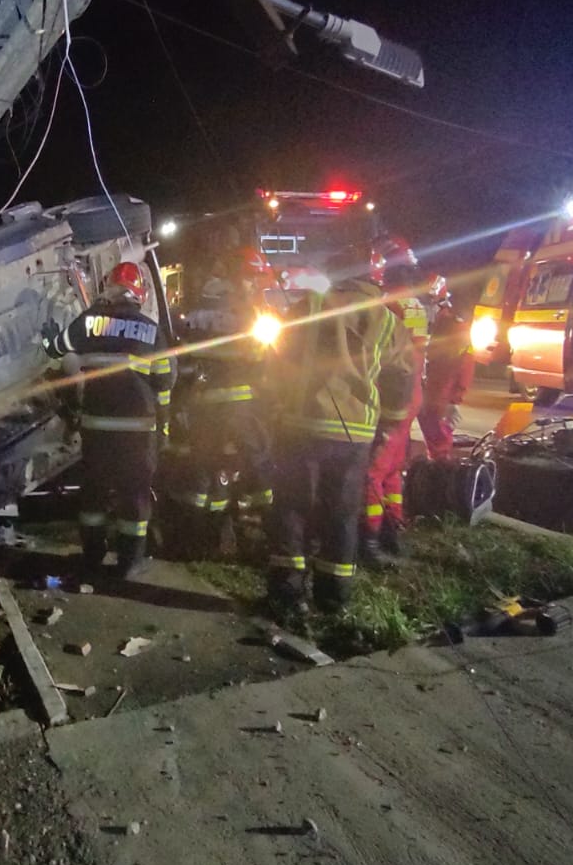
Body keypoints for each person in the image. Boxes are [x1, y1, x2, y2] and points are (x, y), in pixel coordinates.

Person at [263, 265, 415, 613]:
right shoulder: (387, 320)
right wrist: (389, 422)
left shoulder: (308, 306)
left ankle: (287, 595)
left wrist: (277, 403)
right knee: (342, 515)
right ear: (374, 283)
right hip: (355, 435)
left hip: (300, 425)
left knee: (292, 508)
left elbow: (276, 358)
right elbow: (402, 376)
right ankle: (333, 598)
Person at [43, 261, 174, 577]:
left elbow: (56, 349)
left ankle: (92, 557)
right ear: (139, 293)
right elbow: (165, 381)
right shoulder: (150, 330)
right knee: (135, 494)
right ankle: (129, 562)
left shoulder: (91, 321)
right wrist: (164, 427)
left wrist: (49, 336)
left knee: (94, 493)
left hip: (97, 428)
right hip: (138, 431)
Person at [166, 268, 274, 555]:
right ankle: (269, 524)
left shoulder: (189, 320)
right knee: (258, 457)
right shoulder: (248, 320)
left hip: (203, 406)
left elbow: (181, 362)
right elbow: (261, 360)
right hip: (239, 405)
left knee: (204, 464)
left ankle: (197, 535)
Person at [363, 238, 430, 562]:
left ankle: (370, 538)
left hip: (389, 396)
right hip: (409, 395)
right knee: (391, 470)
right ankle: (393, 528)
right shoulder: (415, 305)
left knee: (372, 472)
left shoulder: (387, 305)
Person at [418, 277, 477, 461]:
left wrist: (454, 400)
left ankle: (440, 471)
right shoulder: (443, 324)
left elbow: (464, 366)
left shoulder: (455, 327)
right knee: (434, 439)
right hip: (431, 392)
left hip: (440, 395)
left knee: (439, 444)